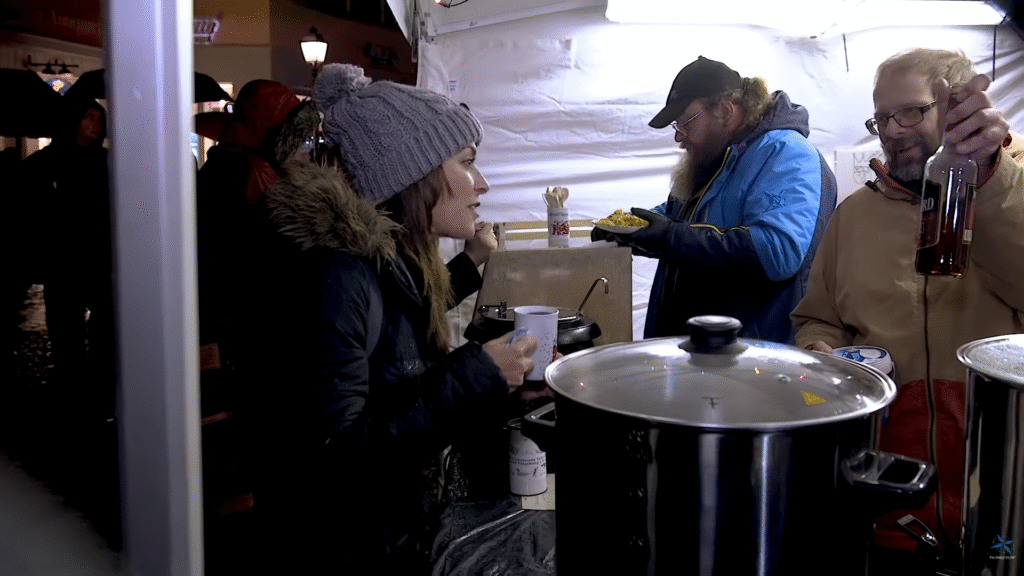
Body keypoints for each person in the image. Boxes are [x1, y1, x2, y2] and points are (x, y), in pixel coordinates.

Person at [237, 63, 536, 573]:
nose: (481, 182)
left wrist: (498, 385)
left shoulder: (387, 257)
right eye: (467, 162)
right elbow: (339, 458)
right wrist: (475, 376)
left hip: (390, 535)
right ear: (413, 175)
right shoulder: (339, 276)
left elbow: (406, 325)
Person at [791, 48, 1024, 570]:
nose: (892, 131)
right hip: (886, 493)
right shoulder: (853, 216)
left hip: (1000, 496)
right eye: (882, 118)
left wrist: (987, 179)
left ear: (960, 105)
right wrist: (819, 350)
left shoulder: (1015, 192)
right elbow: (817, 316)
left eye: (912, 112)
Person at [595, 56, 837, 343]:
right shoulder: (718, 160)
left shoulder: (786, 154)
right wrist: (634, 230)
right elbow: (676, 216)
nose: (679, 137)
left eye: (685, 122)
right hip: (702, 349)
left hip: (751, 356)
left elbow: (777, 252)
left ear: (724, 111)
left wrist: (669, 237)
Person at [20, 95, 114, 416]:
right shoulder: (46, 162)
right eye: (89, 116)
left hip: (100, 257)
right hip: (63, 259)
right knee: (65, 329)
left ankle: (100, 386)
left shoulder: (108, 162)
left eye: (98, 117)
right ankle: (72, 389)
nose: (96, 123)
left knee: (105, 326)